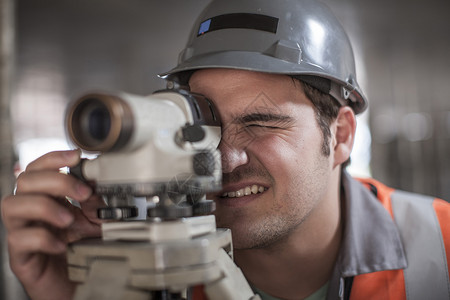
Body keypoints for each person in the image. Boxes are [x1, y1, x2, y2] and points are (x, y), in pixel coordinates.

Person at [2, 0, 450, 299]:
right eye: (203, 127)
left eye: (260, 124)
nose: (223, 159)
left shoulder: (442, 247)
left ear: (342, 137)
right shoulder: (155, 272)